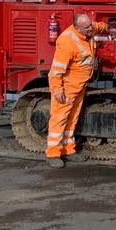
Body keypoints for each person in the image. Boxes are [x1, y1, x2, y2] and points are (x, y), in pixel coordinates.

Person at [45, 12, 97, 167]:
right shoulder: (68, 42)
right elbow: (56, 71)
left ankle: (68, 149)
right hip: (67, 88)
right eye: (87, 27)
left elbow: (97, 27)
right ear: (78, 28)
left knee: (72, 119)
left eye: (90, 25)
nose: (91, 29)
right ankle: (53, 153)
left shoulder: (86, 30)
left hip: (79, 86)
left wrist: (106, 27)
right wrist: (57, 90)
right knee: (59, 119)